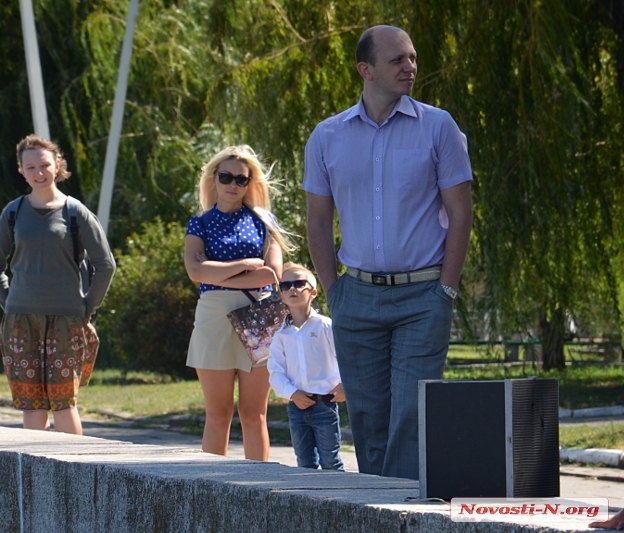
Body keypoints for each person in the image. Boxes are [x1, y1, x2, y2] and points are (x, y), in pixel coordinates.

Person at [304, 25, 473, 480]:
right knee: (368, 416)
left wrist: (447, 291)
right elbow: (317, 221)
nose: (410, 66)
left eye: (413, 57)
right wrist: (334, 291)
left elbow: (461, 213)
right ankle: (373, 509)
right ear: (367, 70)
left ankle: (398, 511)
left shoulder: (439, 127)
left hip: (423, 298)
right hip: (355, 296)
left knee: (411, 414)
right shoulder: (326, 136)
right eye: (398, 59)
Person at [0, 134, 116, 435]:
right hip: (20, 321)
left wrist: (88, 307)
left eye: (44, 165)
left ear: (57, 165)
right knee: (32, 404)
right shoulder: (13, 213)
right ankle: (34, 476)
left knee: (63, 402)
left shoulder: (75, 212)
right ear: (21, 170)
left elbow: (105, 264)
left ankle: (73, 472)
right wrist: (9, 301)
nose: (38, 173)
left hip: (67, 321)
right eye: (30, 167)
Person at [184, 145, 294, 461]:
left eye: (241, 179)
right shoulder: (199, 223)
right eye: (226, 176)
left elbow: (271, 274)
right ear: (214, 179)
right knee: (218, 413)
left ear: (250, 184)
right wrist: (245, 263)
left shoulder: (264, 220)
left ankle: (258, 488)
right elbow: (194, 270)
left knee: (253, 413)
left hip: (259, 315)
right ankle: (209, 487)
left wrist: (217, 273)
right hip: (213, 317)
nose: (233, 184)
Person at [267, 262, 346, 471]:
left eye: (299, 283)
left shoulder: (326, 326)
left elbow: (346, 357)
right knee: (304, 463)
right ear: (282, 296)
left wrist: (344, 384)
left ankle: (340, 499)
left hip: (325, 405)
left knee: (331, 460)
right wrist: (292, 393)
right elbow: (275, 371)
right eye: (286, 285)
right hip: (297, 408)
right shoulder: (280, 336)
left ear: (313, 292)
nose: (292, 288)